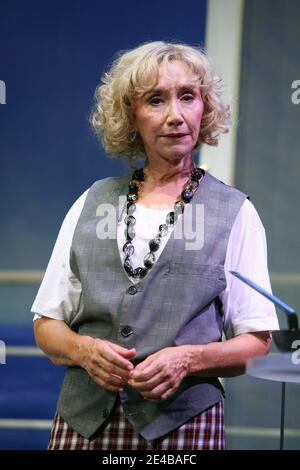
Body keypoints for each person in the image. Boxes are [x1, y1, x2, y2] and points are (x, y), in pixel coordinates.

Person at [31, 41, 279, 450]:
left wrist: (188, 359)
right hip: (82, 423)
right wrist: (84, 349)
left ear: (205, 108)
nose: (175, 116)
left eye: (187, 97)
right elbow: (47, 326)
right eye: (155, 100)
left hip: (182, 428)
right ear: (131, 116)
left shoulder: (236, 213)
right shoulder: (90, 202)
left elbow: (256, 340)